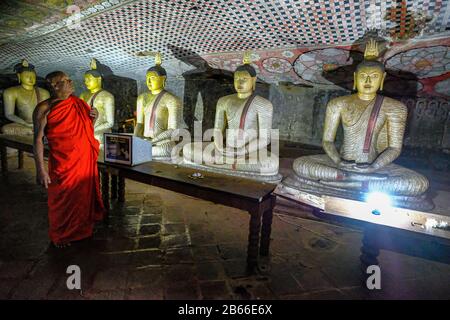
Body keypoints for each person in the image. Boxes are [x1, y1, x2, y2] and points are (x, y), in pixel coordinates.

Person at [33, 71, 105, 248]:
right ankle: (61, 233)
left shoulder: (78, 103)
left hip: (83, 161)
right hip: (63, 162)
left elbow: (85, 130)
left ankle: (81, 230)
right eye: (65, 81)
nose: (71, 82)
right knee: (62, 198)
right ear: (55, 86)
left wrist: (94, 119)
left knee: (82, 197)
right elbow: (37, 139)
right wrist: (40, 170)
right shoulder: (44, 108)